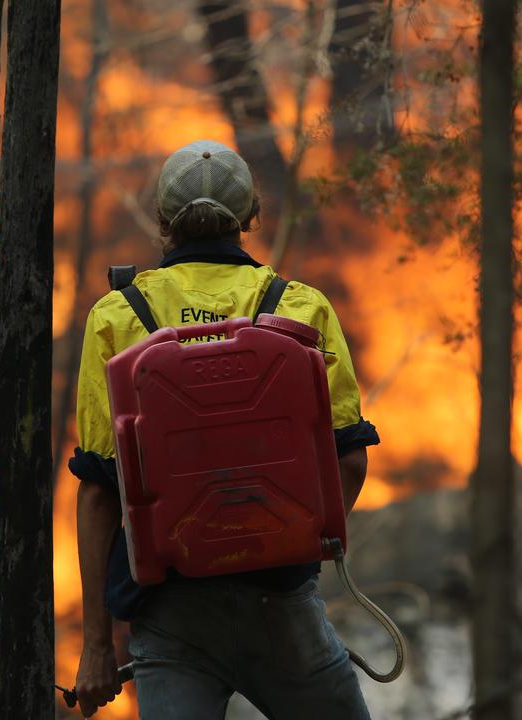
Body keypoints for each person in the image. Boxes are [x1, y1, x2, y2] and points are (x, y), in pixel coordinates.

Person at [68, 140, 381, 719]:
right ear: (251, 218)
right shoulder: (300, 307)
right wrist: (298, 548)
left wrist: (95, 647)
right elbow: (351, 459)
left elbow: (98, 489)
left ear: (163, 221)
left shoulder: (116, 316)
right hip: (281, 606)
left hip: (170, 613)